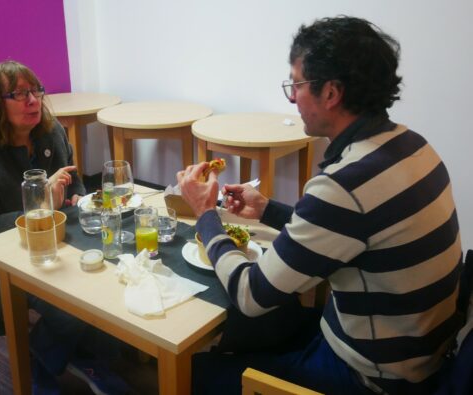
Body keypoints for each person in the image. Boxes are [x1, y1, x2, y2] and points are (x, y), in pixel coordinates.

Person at [177, 16, 463, 395]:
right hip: (426, 354)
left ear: (331, 93)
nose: (293, 97)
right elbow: (355, 231)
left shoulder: (345, 184)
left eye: (296, 84)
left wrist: (206, 215)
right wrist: (269, 210)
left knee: (200, 371)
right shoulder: (413, 145)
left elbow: (250, 295)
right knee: (272, 325)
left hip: (372, 377)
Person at [0, 60, 127, 394]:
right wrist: (47, 204)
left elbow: (73, 185)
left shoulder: (50, 130)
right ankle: (41, 360)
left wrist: (74, 199)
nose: (33, 101)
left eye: (35, 91)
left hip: (54, 241)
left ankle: (54, 354)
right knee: (75, 307)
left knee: (110, 284)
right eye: (18, 94)